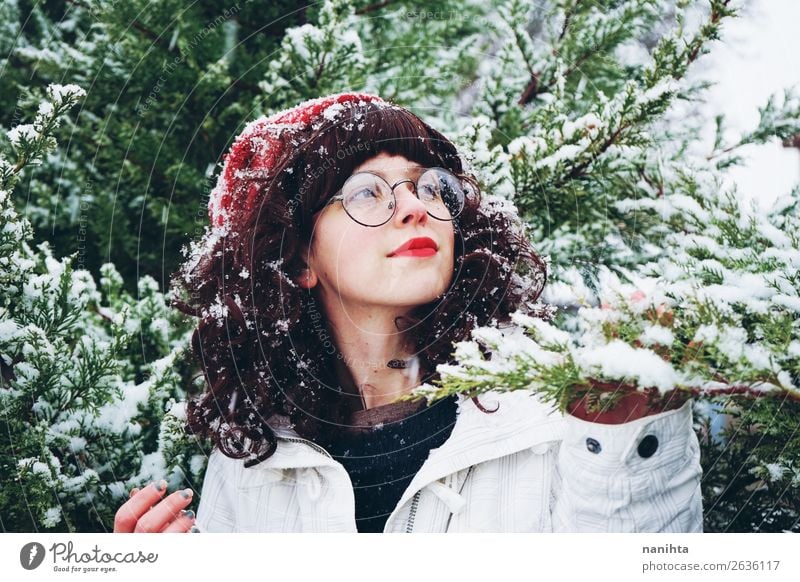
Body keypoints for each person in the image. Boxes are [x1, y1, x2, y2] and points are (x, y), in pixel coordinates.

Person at [113, 92, 701, 534]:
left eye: (429, 187)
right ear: (296, 259)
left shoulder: (549, 420)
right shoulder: (257, 459)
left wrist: (630, 434)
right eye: (367, 191)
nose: (415, 209)